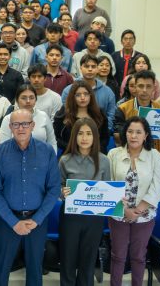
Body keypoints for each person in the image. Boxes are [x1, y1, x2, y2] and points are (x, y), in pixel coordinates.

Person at [0, 108, 61, 286]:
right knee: (1, 268)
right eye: (16, 124)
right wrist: (13, 222)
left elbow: (54, 189)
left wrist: (37, 219)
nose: (21, 128)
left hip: (37, 220)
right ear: (10, 127)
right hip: (7, 220)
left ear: (33, 125)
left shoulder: (47, 151)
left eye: (25, 124)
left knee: (35, 269)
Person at [107, 116, 160, 286]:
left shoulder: (155, 156)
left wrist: (137, 210)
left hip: (144, 214)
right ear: (125, 133)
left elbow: (157, 187)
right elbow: (108, 184)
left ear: (146, 135)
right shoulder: (113, 154)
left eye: (138, 132)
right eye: (130, 131)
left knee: (138, 256)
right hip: (118, 212)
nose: (133, 136)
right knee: (118, 256)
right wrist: (124, 210)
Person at [58, 117, 111, 286]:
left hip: (94, 219)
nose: (84, 138)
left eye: (89, 133)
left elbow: (108, 189)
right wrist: (62, 192)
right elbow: (58, 186)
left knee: (88, 261)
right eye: (80, 133)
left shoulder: (104, 160)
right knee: (68, 259)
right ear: (74, 136)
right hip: (70, 217)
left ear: (95, 136)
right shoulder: (65, 160)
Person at [55, 81, 109, 153]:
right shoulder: (64, 113)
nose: (82, 98)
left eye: (86, 94)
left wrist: (92, 150)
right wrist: (73, 149)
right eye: (78, 95)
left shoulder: (99, 113)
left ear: (90, 95)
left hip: (95, 154)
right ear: (72, 97)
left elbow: (105, 138)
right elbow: (56, 138)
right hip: (70, 154)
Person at [0, 84, 58, 152]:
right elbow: (4, 145)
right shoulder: (8, 119)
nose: (28, 101)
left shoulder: (43, 116)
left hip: (42, 156)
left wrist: (51, 157)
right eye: (24, 98)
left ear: (36, 100)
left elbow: (52, 142)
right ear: (17, 100)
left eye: (31, 98)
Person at [113, 70, 160, 147]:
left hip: (155, 151)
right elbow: (117, 135)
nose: (144, 90)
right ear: (135, 87)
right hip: (130, 150)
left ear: (154, 88)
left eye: (148, 86)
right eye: (141, 86)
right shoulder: (123, 108)